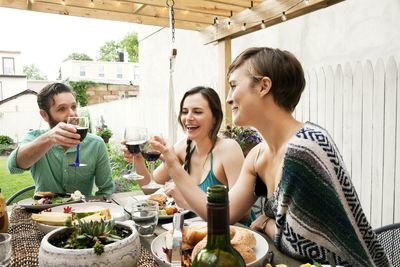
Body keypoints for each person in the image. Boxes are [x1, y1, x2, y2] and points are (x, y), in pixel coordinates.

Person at [150, 48, 389, 266]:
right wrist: (173, 164)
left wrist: (266, 222)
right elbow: (222, 216)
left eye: (234, 86)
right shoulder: (257, 155)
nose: (228, 98)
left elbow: (298, 243)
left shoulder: (307, 145)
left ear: (264, 86)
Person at [122, 86, 253, 222]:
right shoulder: (183, 147)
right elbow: (148, 187)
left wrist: (187, 201)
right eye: (185, 112)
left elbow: (244, 215)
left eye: (197, 112)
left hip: (236, 232)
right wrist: (137, 159)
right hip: (201, 226)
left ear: (215, 117)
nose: (188, 118)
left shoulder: (228, 149)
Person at [7, 83, 114, 196]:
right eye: (62, 109)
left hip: (83, 210)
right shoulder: (35, 138)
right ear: (45, 115)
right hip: (45, 211)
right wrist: (49, 139)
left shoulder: (96, 144)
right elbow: (13, 166)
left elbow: (106, 191)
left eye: (73, 107)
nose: (72, 114)